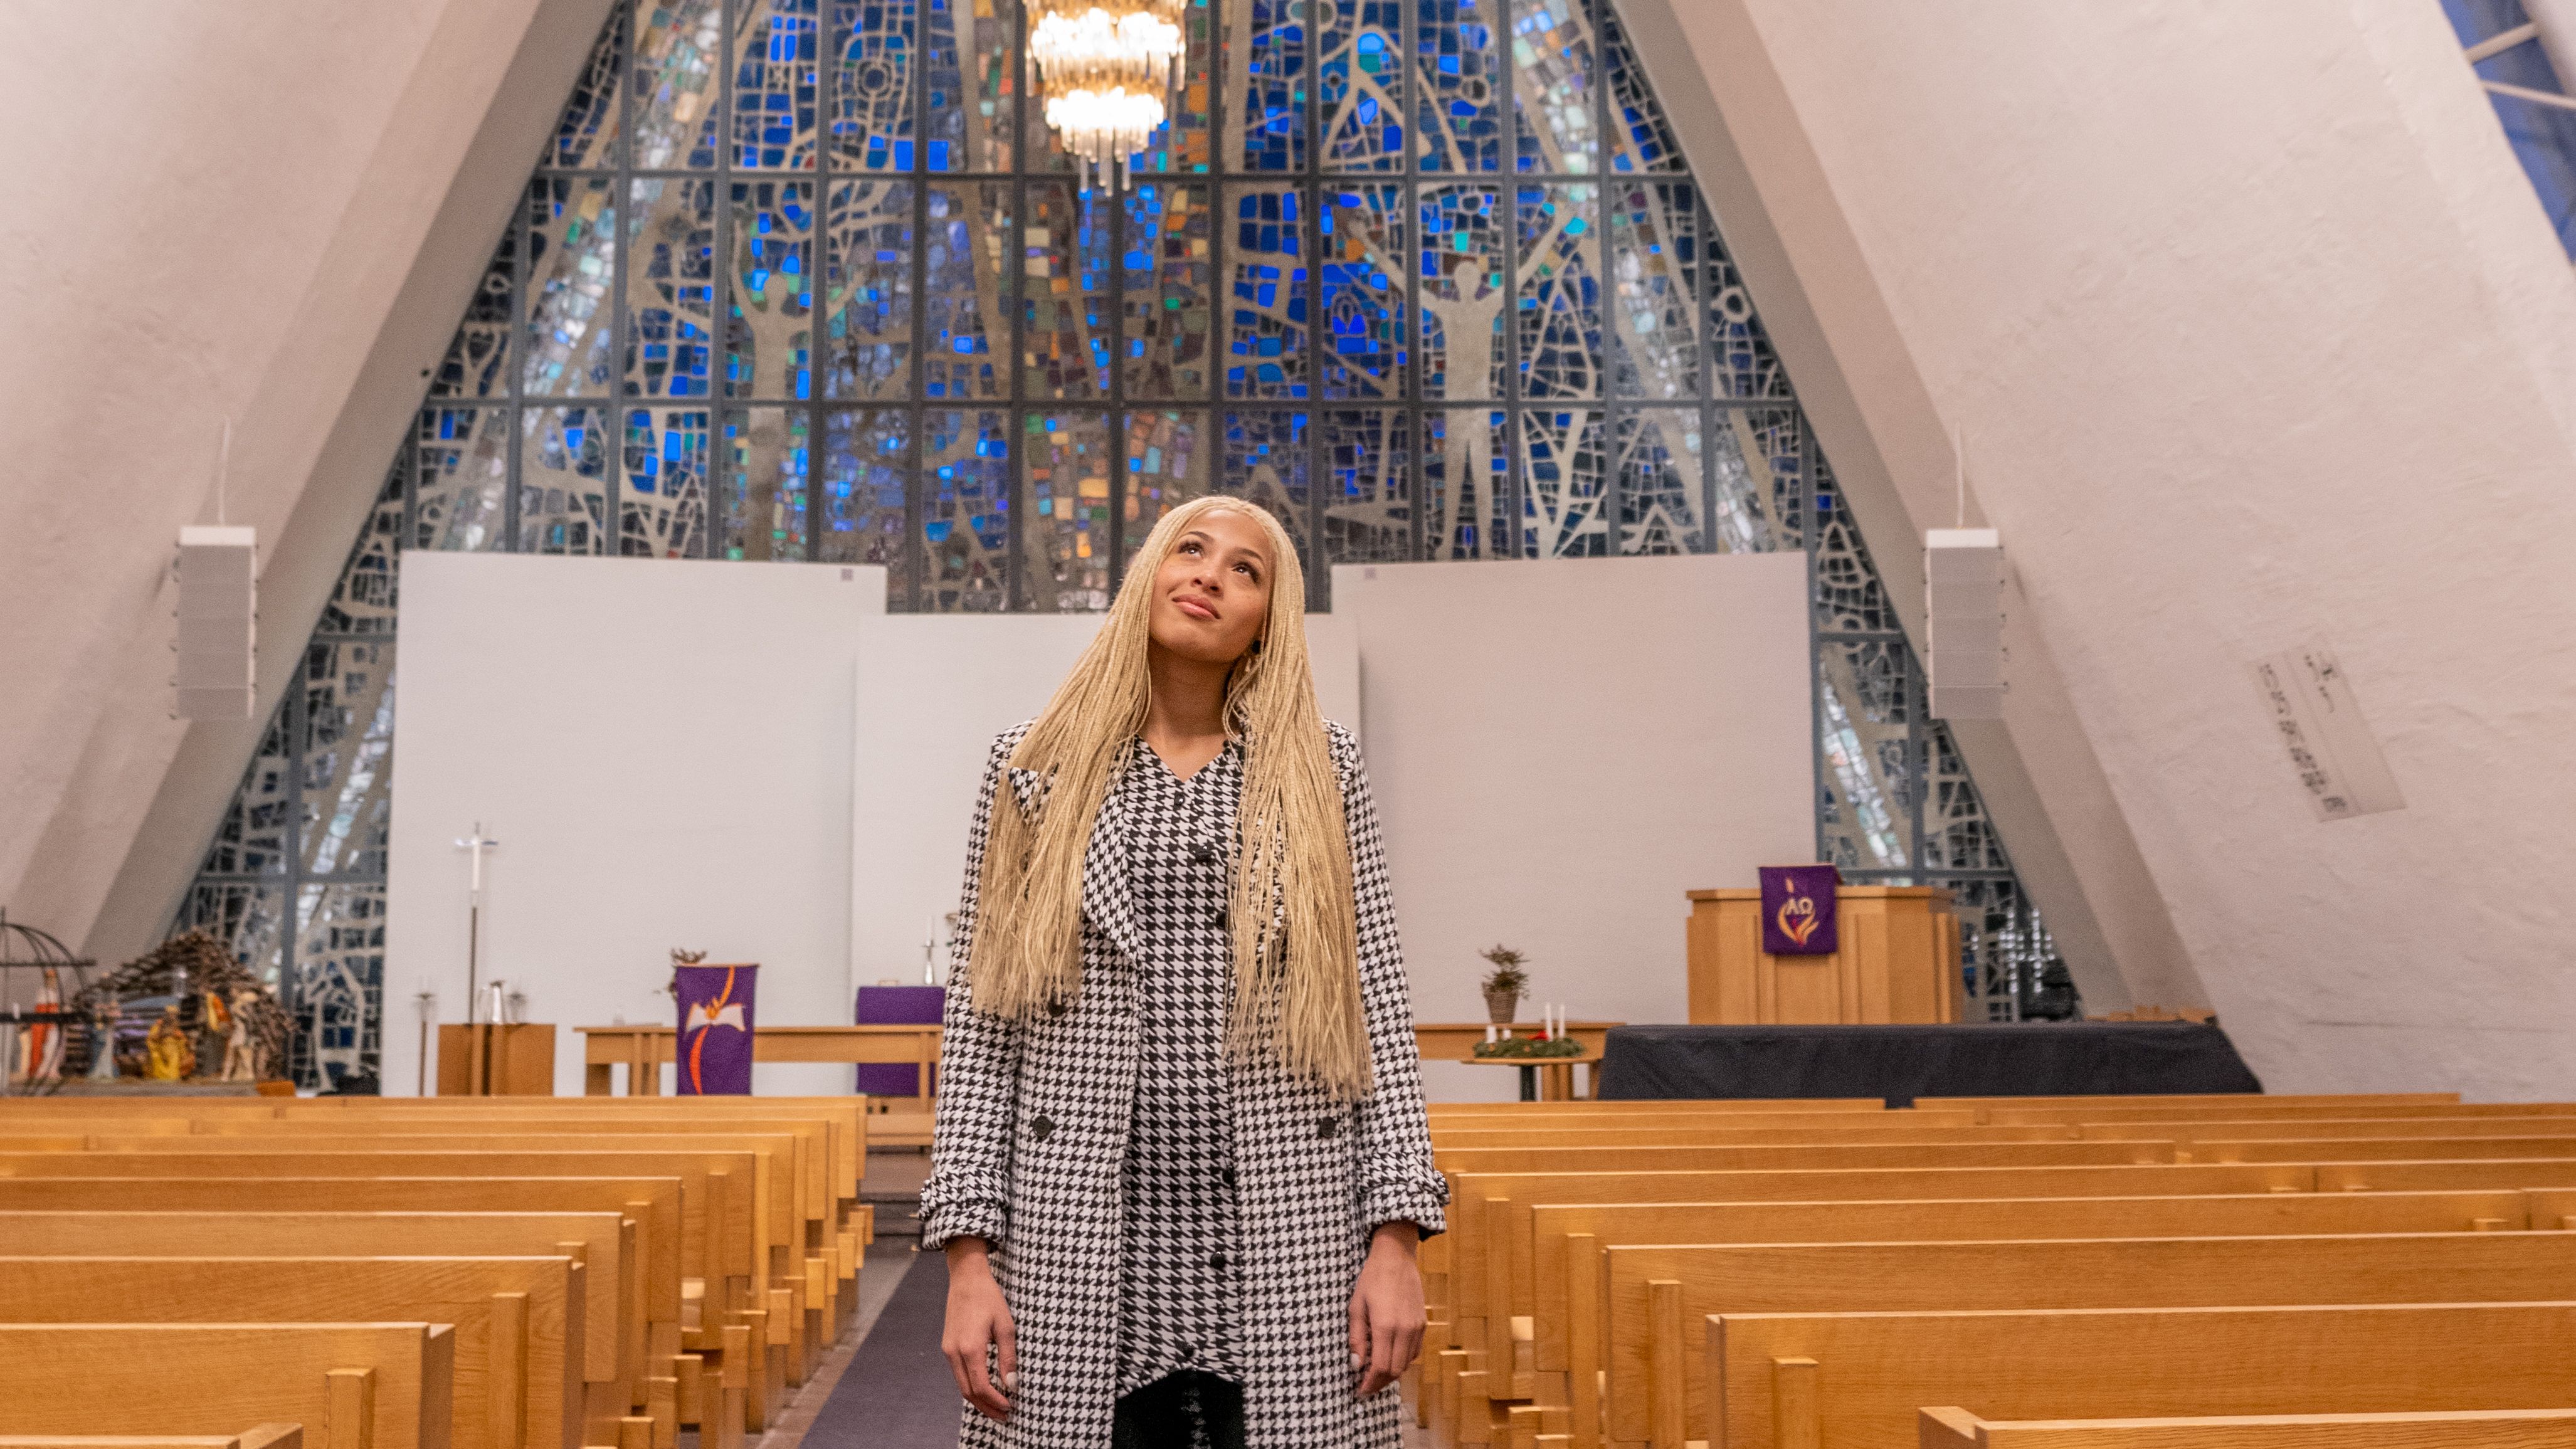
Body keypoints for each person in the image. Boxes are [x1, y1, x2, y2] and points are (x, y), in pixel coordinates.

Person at [925, 495, 1449, 1449]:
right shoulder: (1032, 767)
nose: (1210, 574)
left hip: (1289, 1233)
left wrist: (1397, 1237)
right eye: (1191, 550)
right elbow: (980, 1025)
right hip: (1076, 1238)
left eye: (1245, 568)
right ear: (1147, 581)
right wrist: (967, 1258)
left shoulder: (1322, 770)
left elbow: (1376, 1002)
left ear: (1267, 620)